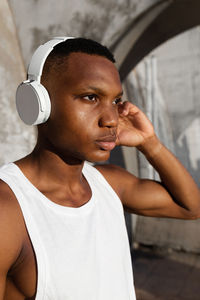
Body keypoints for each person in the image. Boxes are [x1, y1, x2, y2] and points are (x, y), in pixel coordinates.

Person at [0, 37, 199, 300]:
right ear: (39, 104)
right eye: (91, 97)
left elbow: (190, 207)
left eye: (116, 101)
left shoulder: (110, 184)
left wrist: (150, 143)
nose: (111, 119)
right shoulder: (9, 209)